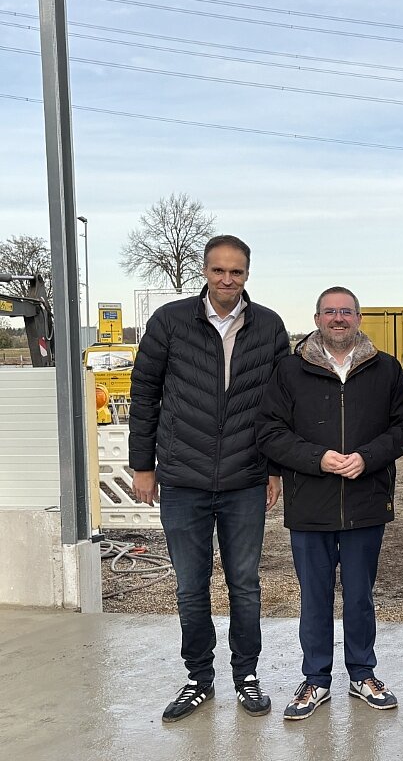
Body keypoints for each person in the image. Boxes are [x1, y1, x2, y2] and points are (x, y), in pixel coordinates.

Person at [129, 234, 290, 723]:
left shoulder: (268, 326)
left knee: (244, 584)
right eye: (218, 271)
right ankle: (199, 677)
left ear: (247, 275)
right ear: (205, 271)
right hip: (183, 478)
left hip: (245, 477)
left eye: (236, 272)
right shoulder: (170, 322)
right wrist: (143, 465)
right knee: (190, 586)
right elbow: (144, 393)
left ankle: (247, 675)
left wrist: (275, 469)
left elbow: (283, 402)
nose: (227, 280)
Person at [256, 286, 403, 719]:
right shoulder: (290, 371)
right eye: (330, 312)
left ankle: (362, 674)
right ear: (316, 319)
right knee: (314, 598)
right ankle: (315, 680)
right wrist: (318, 459)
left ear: (358, 318)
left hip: (366, 503)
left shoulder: (385, 369)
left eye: (346, 311)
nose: (338, 319)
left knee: (360, 596)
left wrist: (368, 458)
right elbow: (269, 431)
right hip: (310, 505)